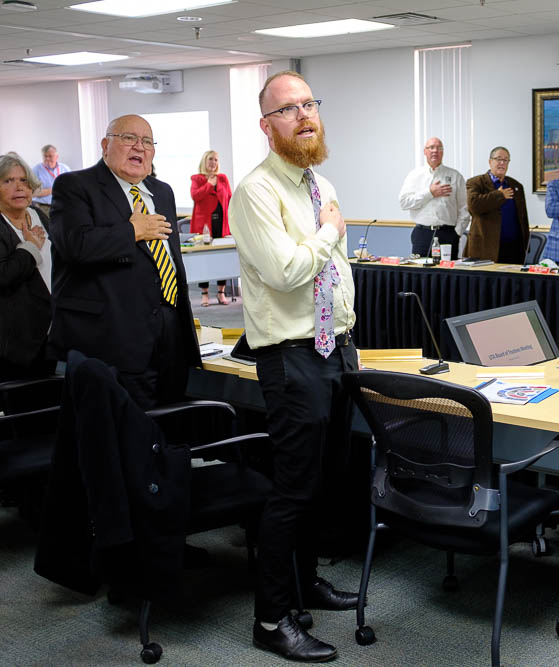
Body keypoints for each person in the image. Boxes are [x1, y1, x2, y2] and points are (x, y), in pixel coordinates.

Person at [228, 70, 359, 663]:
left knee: (324, 482)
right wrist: (330, 231)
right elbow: (285, 272)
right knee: (292, 489)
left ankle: (306, 585)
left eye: (310, 104)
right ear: (267, 125)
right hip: (292, 355)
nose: (305, 115)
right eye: (289, 108)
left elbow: (329, 270)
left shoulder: (316, 180)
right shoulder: (256, 191)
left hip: (336, 348)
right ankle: (271, 617)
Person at [47, 115, 201, 409]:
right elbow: (76, 246)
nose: (139, 148)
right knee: (124, 435)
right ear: (106, 145)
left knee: (169, 425)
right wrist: (133, 230)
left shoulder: (162, 191)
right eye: (129, 138)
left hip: (168, 333)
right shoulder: (75, 186)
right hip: (111, 337)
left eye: (147, 142)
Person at [0, 153, 54, 379]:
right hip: (14, 342)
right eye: (8, 181)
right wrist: (30, 247)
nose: (19, 187)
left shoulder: (37, 214)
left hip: (49, 332)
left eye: (23, 180)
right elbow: (0, 274)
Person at [398, 137, 469, 257]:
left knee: (447, 274)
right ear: (425, 151)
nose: (435, 151)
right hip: (422, 234)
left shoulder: (455, 176)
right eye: (431, 147)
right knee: (420, 274)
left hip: (448, 234)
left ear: (443, 152)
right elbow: (404, 202)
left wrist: (457, 232)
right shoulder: (415, 175)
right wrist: (430, 193)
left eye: (439, 148)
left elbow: (464, 208)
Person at [465, 146, 529, 263]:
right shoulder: (476, 182)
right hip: (485, 248)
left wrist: (526, 245)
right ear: (490, 162)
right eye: (498, 159)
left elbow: (523, 217)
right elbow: (474, 206)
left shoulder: (516, 185)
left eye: (505, 160)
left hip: (513, 249)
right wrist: (499, 195)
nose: (502, 163)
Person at [190, 149, 233, 306]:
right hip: (204, 226)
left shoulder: (223, 178)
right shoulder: (197, 179)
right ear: (204, 161)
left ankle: (221, 293)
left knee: (223, 259)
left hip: (221, 224)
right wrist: (208, 185)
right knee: (204, 260)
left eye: (215, 160)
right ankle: (205, 294)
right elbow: (195, 196)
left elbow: (229, 198)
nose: (213, 163)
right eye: (210, 159)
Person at [32, 145, 70, 218]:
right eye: (45, 156)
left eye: (50, 156)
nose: (47, 158)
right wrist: (53, 190)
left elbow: (72, 187)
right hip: (43, 207)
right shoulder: (36, 170)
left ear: (56, 156)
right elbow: (33, 192)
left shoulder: (65, 169)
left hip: (63, 206)